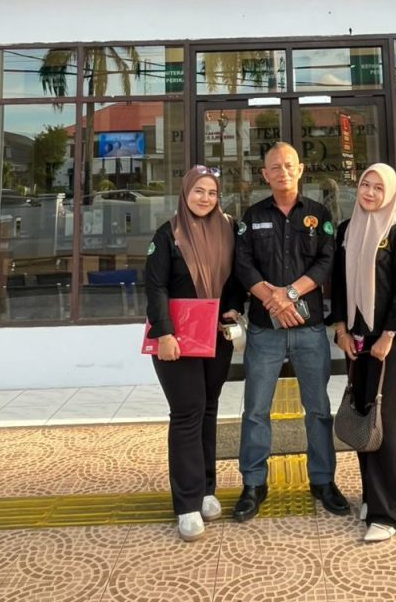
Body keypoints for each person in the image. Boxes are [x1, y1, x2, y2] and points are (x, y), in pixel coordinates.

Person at [233, 142, 349, 522]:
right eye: (274, 167)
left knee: (318, 410)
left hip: (309, 330)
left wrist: (290, 294)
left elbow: (326, 261)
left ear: (300, 170)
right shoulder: (252, 216)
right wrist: (273, 300)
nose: (282, 172)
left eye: (289, 165)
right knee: (255, 410)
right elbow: (243, 265)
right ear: (264, 174)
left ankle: (323, 481)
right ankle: (254, 484)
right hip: (265, 330)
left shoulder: (319, 214)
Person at [145, 165, 246, 542]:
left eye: (212, 192)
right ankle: (186, 504)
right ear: (185, 193)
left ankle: (205, 490)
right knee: (187, 412)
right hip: (177, 339)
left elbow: (237, 277)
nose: (205, 198)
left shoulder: (229, 229)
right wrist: (164, 333)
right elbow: (155, 287)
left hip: (215, 335)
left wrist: (233, 307)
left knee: (207, 409)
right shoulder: (168, 234)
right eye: (198, 191)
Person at [331, 163, 396, 543]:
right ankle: (371, 496)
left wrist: (389, 335)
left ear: (390, 194)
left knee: (388, 421)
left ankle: (389, 513)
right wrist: (340, 330)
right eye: (365, 184)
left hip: (387, 343)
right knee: (364, 415)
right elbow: (337, 284)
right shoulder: (347, 231)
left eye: (379, 188)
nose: (369, 192)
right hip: (356, 338)